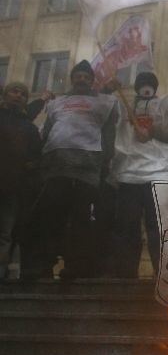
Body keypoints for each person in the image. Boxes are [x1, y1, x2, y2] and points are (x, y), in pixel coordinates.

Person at [22, 60, 117, 279]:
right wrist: (40, 159)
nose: (81, 79)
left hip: (87, 168)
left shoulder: (105, 103)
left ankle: (76, 265)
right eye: (78, 76)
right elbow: (47, 131)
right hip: (57, 167)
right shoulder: (57, 103)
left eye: (86, 76)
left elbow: (109, 135)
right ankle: (45, 263)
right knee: (52, 215)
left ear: (92, 81)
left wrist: (106, 160)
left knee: (80, 218)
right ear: (72, 79)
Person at [109, 72, 168, 278]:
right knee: (127, 227)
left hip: (161, 174)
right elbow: (101, 117)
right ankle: (125, 275)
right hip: (129, 175)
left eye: (150, 84)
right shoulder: (121, 105)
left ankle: (164, 275)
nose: (146, 87)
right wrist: (106, 90)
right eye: (142, 84)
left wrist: (153, 130)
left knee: (160, 228)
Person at [0, 83, 42, 280]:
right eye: (14, 91)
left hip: (12, 187)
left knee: (5, 233)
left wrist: (29, 166)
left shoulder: (30, 128)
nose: (18, 96)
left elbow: (35, 157)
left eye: (23, 94)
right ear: (5, 95)